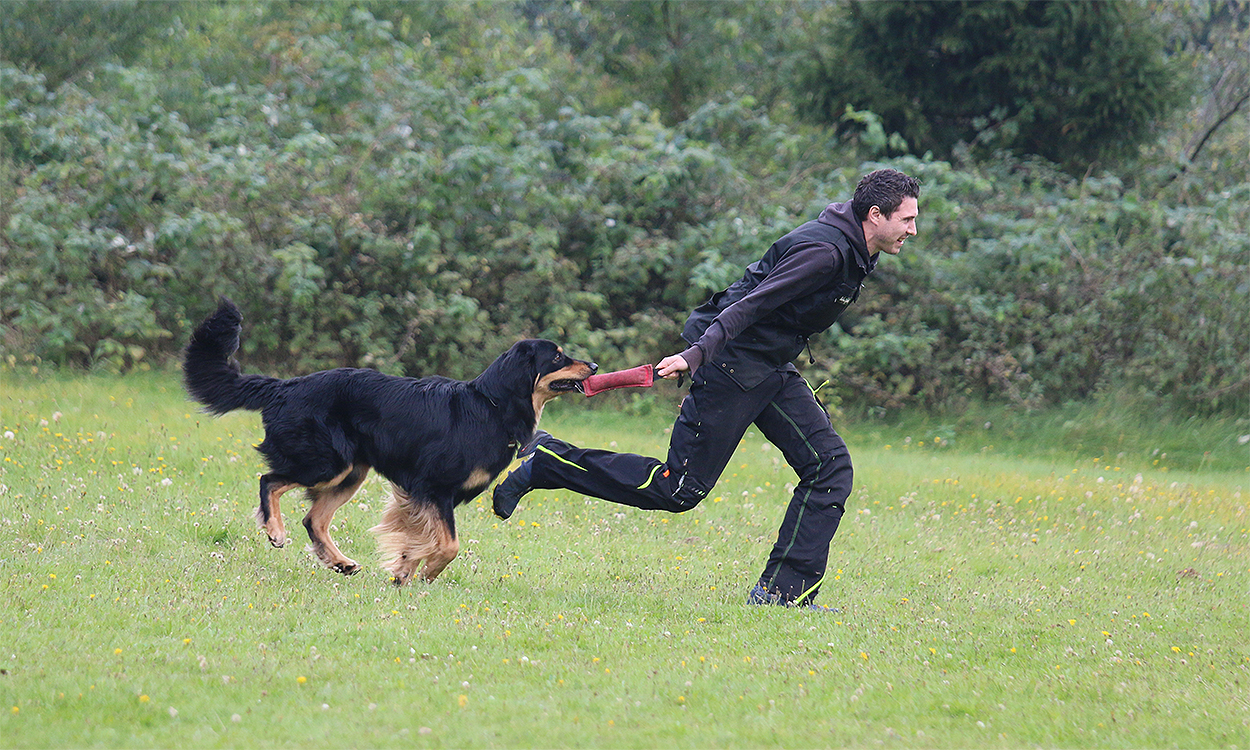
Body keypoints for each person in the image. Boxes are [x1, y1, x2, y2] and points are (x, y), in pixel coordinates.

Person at [493, 168, 920, 610]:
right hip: (731, 361)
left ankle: (781, 595)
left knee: (829, 465)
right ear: (875, 215)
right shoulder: (824, 254)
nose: (912, 230)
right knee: (679, 489)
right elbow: (751, 304)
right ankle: (549, 460)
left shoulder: (854, 247)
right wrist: (696, 355)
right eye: (906, 219)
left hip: (768, 364)